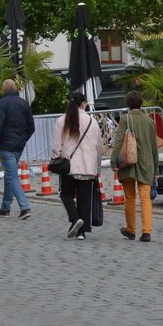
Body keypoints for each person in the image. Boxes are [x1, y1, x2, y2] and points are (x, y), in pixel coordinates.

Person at [110, 89, 160, 241]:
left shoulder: (126, 119)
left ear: (128, 104)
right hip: (146, 164)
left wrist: (113, 161)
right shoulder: (150, 122)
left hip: (128, 163)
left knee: (130, 198)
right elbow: (154, 147)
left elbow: (119, 141)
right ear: (141, 103)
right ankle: (146, 231)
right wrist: (156, 169)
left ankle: (131, 230)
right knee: (145, 198)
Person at [54, 90, 102, 239]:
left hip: (69, 166)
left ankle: (75, 219)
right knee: (84, 198)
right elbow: (98, 147)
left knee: (66, 194)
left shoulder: (62, 120)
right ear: (83, 104)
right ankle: (82, 232)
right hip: (88, 167)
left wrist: (56, 159)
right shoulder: (92, 121)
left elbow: (57, 145)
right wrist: (98, 167)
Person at [0, 79, 35, 218]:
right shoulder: (24, 103)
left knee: (11, 175)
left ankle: (24, 207)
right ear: (15, 88)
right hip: (19, 144)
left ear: (3, 90)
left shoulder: (2, 103)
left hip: (6, 144)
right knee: (9, 175)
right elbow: (31, 127)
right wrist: (23, 139)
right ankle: (5, 207)